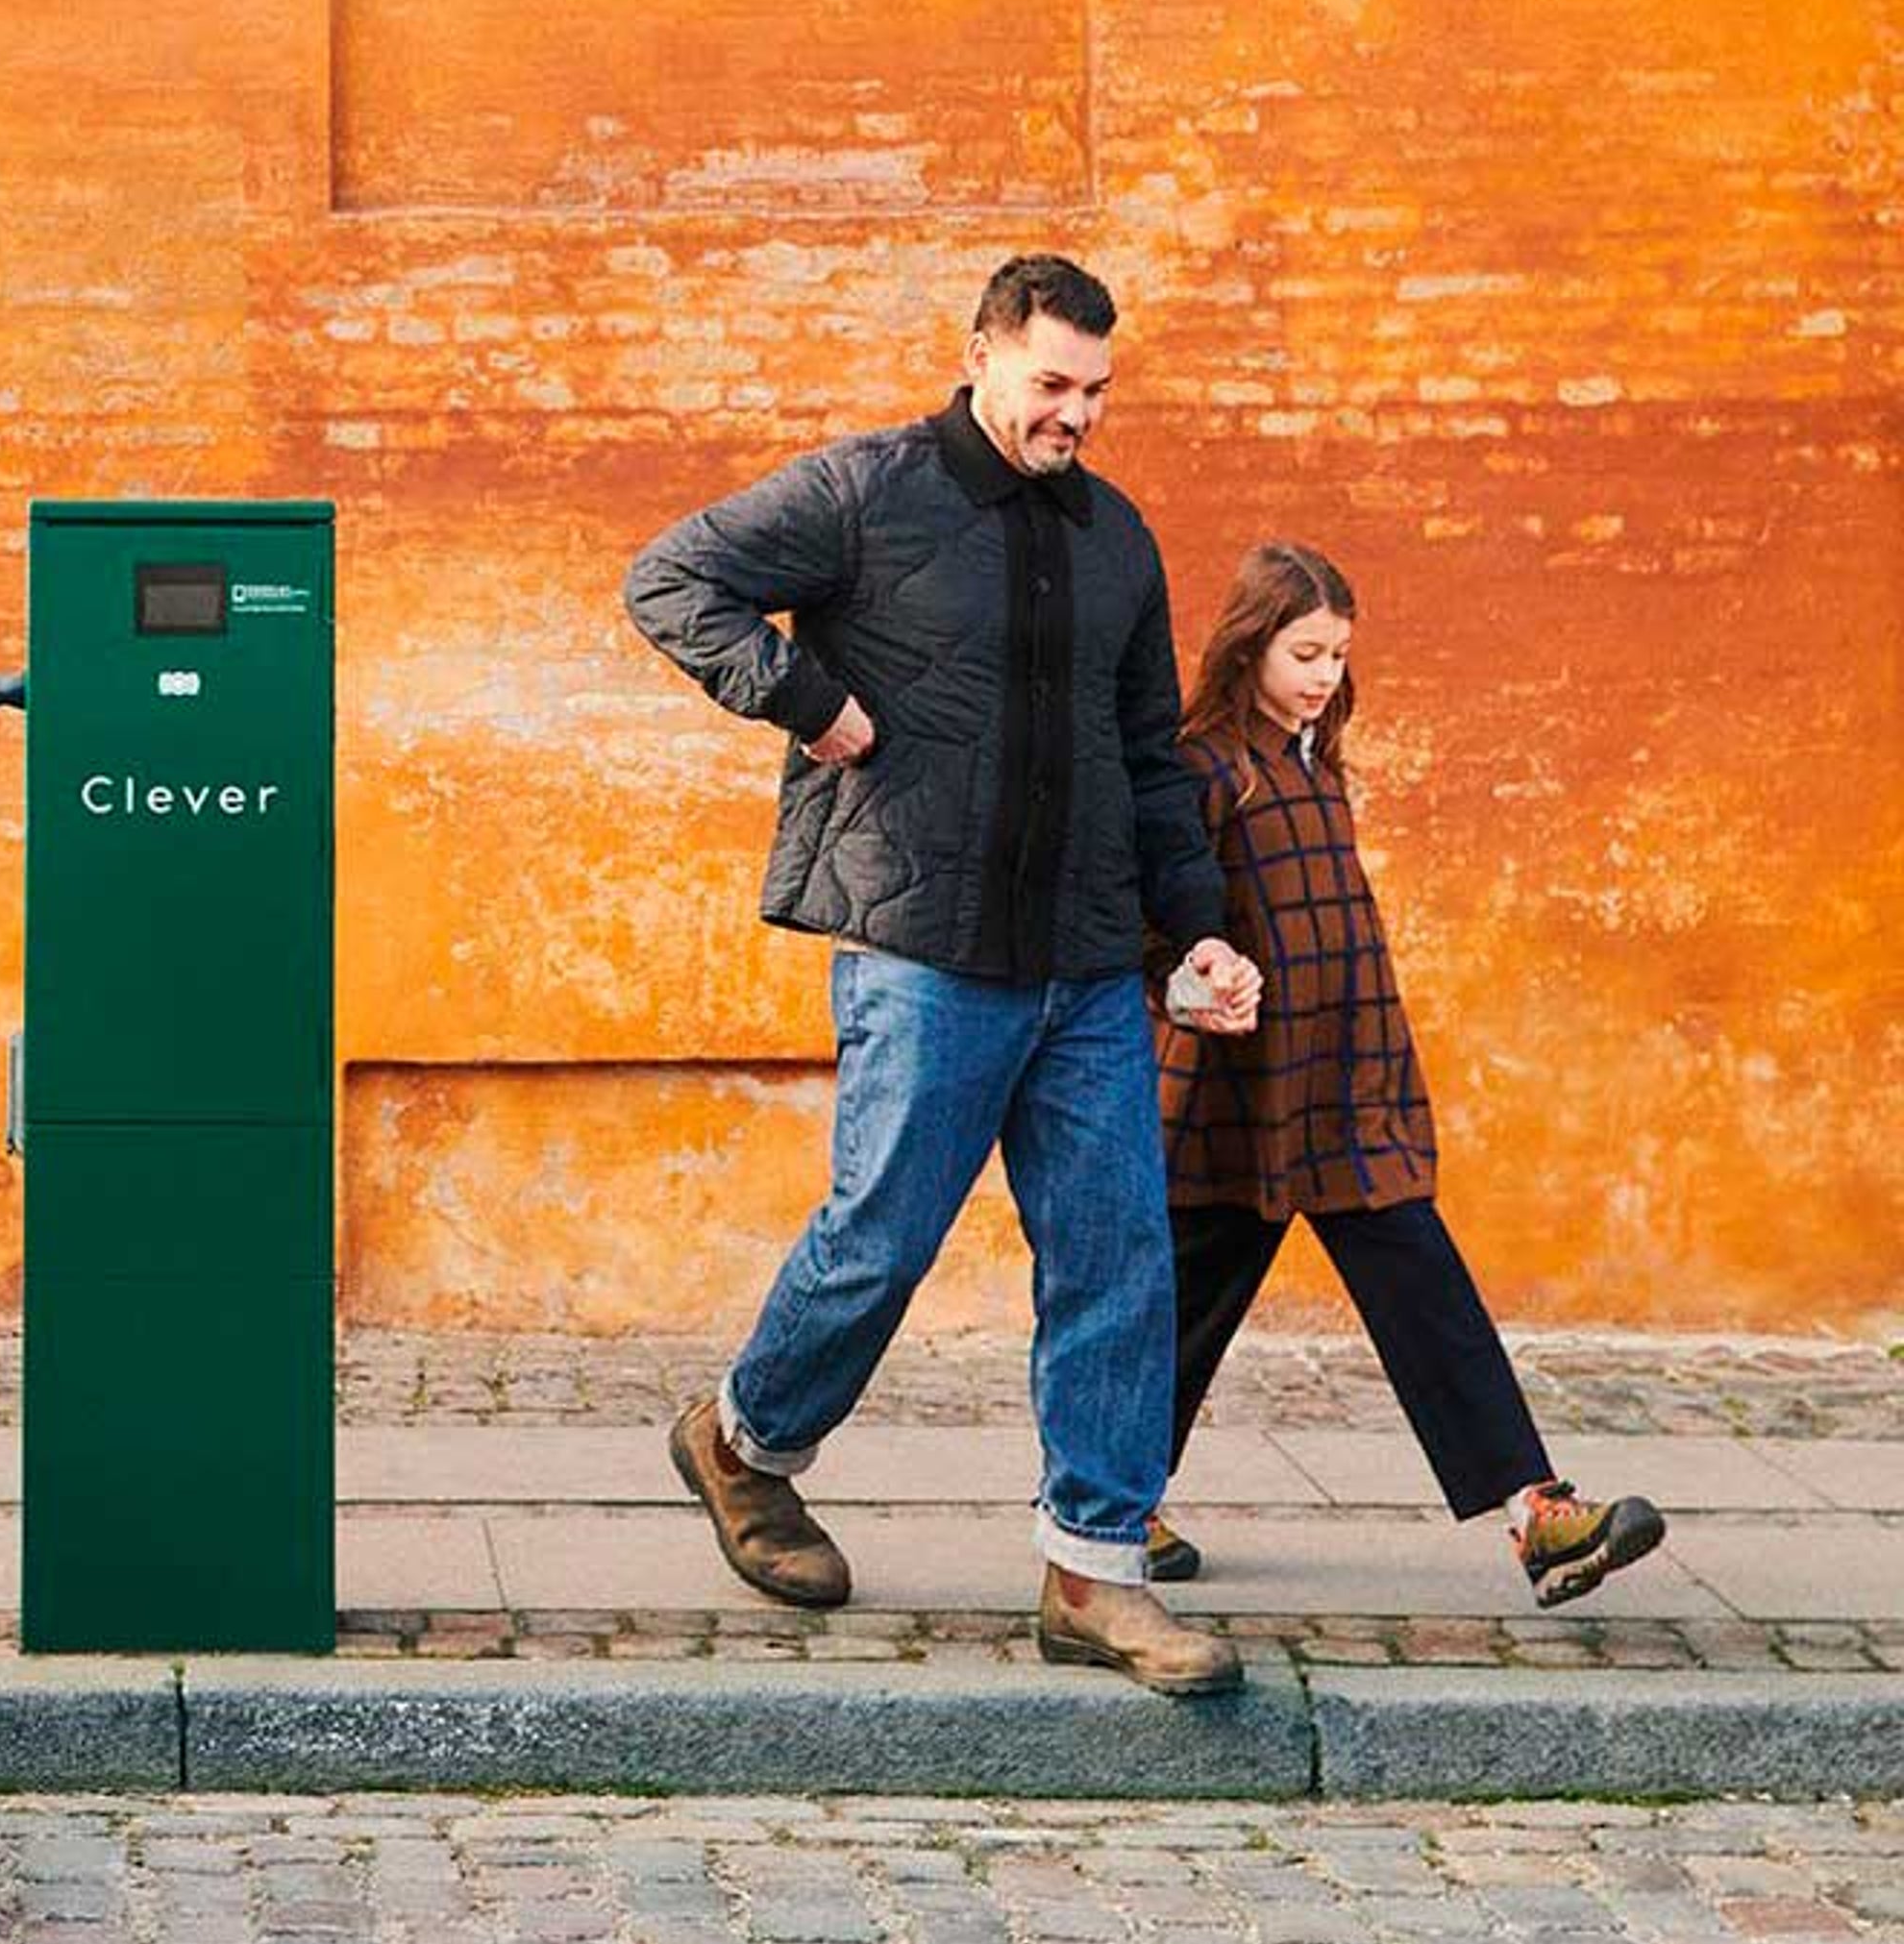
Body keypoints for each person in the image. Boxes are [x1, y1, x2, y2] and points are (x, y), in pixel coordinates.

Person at [624, 254, 1265, 1695]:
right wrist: (804, 698)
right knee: (882, 1241)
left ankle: (1092, 1574)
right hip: (924, 950)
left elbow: (1148, 761)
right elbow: (672, 579)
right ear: (981, 353)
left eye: (1097, 392)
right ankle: (742, 1442)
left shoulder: (1117, 540)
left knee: (1118, 1257)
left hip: (1091, 965)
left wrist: (1198, 925)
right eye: (1052, 384)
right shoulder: (867, 493)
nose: (1076, 417)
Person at [1143, 541, 1666, 1601]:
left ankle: (1537, 1513)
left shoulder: (1311, 762)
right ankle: (1109, 1499)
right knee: (1183, 1306)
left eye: (1338, 653)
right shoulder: (1203, 767)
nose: (1325, 673)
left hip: (1342, 1089)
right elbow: (1155, 923)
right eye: (1305, 651)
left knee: (1424, 1284)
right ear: (1249, 646)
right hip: (1237, 1097)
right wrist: (1190, 983)